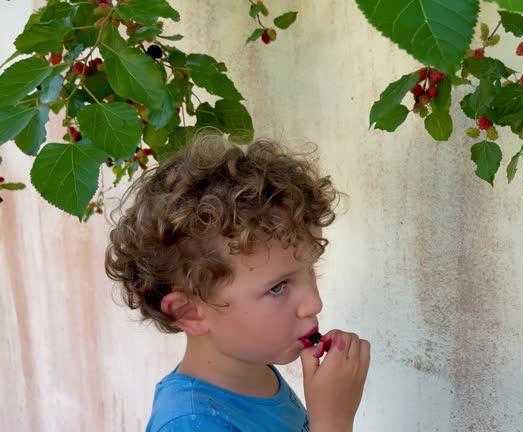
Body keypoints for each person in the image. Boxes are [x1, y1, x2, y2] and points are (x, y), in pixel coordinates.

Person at [105, 132, 370, 432]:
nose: (315, 302)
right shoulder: (193, 424)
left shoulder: (255, 372)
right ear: (189, 312)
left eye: (311, 270)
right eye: (278, 287)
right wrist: (332, 421)